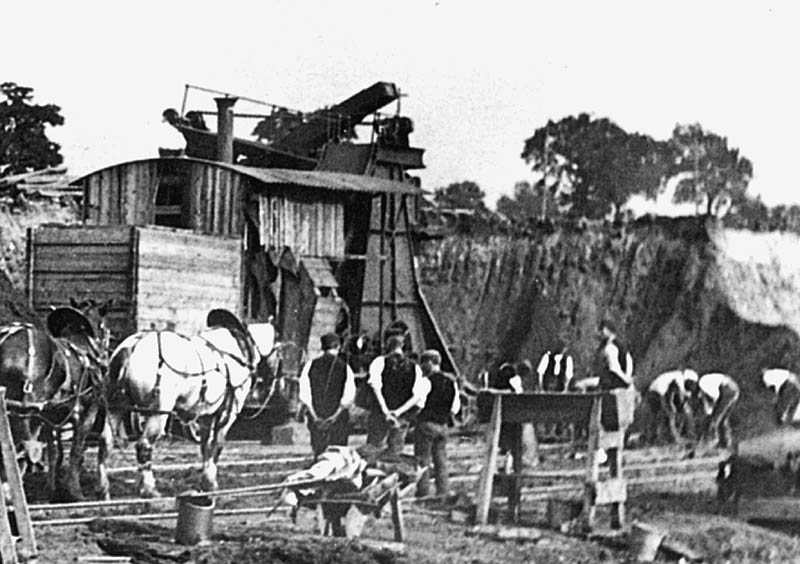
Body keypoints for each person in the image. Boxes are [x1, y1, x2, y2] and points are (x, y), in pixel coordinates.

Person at [366, 335, 427, 455]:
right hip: (401, 416)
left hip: (379, 414)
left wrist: (386, 411)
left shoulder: (379, 362)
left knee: (373, 448)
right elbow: (417, 397)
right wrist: (398, 412)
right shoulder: (415, 368)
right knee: (395, 452)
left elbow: (376, 388)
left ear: (387, 346)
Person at [297, 332, 356, 458]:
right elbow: (348, 397)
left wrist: (315, 416)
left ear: (322, 347)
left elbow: (305, 395)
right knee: (337, 454)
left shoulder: (310, 365)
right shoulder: (345, 368)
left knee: (319, 452)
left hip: (316, 416)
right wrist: (333, 417)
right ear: (338, 347)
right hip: (338, 419)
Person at [414, 349, 460, 498]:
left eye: (423, 363)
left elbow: (419, 404)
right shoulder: (451, 382)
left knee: (423, 460)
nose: (421, 367)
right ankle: (443, 491)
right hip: (443, 425)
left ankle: (423, 492)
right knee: (441, 460)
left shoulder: (426, 381)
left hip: (427, 423)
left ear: (429, 363)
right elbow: (455, 407)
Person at [645, 369, 699, 444]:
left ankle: (653, 438)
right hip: (658, 393)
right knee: (669, 415)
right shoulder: (679, 377)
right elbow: (681, 393)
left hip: (653, 392)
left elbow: (671, 396)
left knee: (657, 417)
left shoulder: (674, 377)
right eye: (692, 383)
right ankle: (675, 438)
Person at [488, 362, 523, 471]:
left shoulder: (512, 381)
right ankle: (505, 463)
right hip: (508, 414)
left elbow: (516, 392)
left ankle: (507, 463)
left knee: (508, 439)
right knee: (506, 439)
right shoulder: (514, 380)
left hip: (509, 414)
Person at [694, 372, 740, 449]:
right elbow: (709, 405)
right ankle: (725, 443)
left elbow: (715, 397)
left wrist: (711, 411)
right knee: (723, 419)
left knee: (715, 420)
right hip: (733, 388)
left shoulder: (703, 384)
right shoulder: (704, 385)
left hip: (727, 389)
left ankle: (713, 441)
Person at [597, 321, 634, 391]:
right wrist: (628, 376)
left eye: (602, 330)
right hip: (621, 382)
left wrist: (625, 378)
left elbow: (614, 368)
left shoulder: (610, 347)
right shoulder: (621, 345)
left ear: (606, 330)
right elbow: (629, 360)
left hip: (612, 383)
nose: (600, 333)